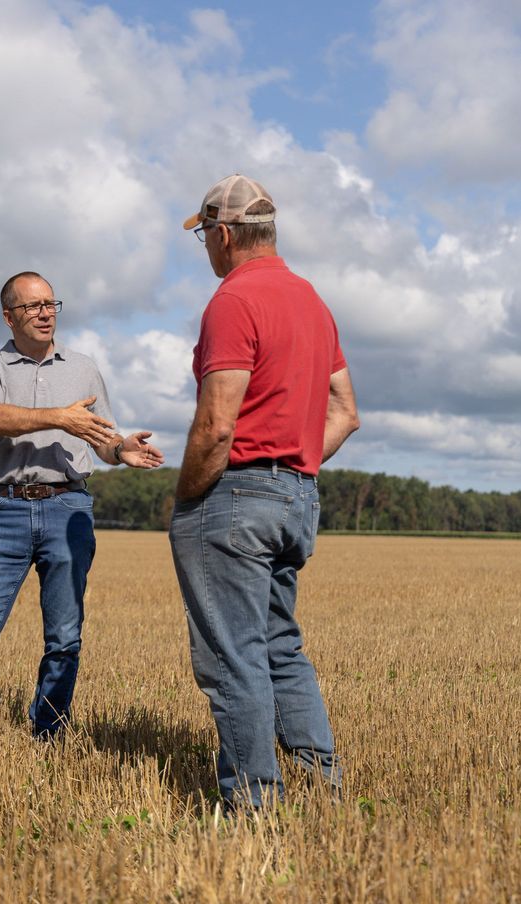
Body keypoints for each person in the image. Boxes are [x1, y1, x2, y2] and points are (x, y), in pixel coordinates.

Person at [169, 175, 360, 810]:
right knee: (279, 643)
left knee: (232, 655)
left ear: (224, 234)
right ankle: (320, 784)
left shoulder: (233, 301)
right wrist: (296, 465)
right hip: (297, 498)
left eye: (204, 238)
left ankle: (254, 803)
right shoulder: (312, 301)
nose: (206, 250)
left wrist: (189, 497)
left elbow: (218, 421)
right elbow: (345, 413)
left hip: (235, 497)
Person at [0, 271, 163, 744]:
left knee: (64, 638)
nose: (45, 313)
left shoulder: (83, 368)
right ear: (9, 317)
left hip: (69, 509)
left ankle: (50, 731)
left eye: (50, 304)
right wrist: (59, 417)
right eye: (32, 307)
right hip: (4, 511)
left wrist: (121, 449)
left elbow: (101, 439)